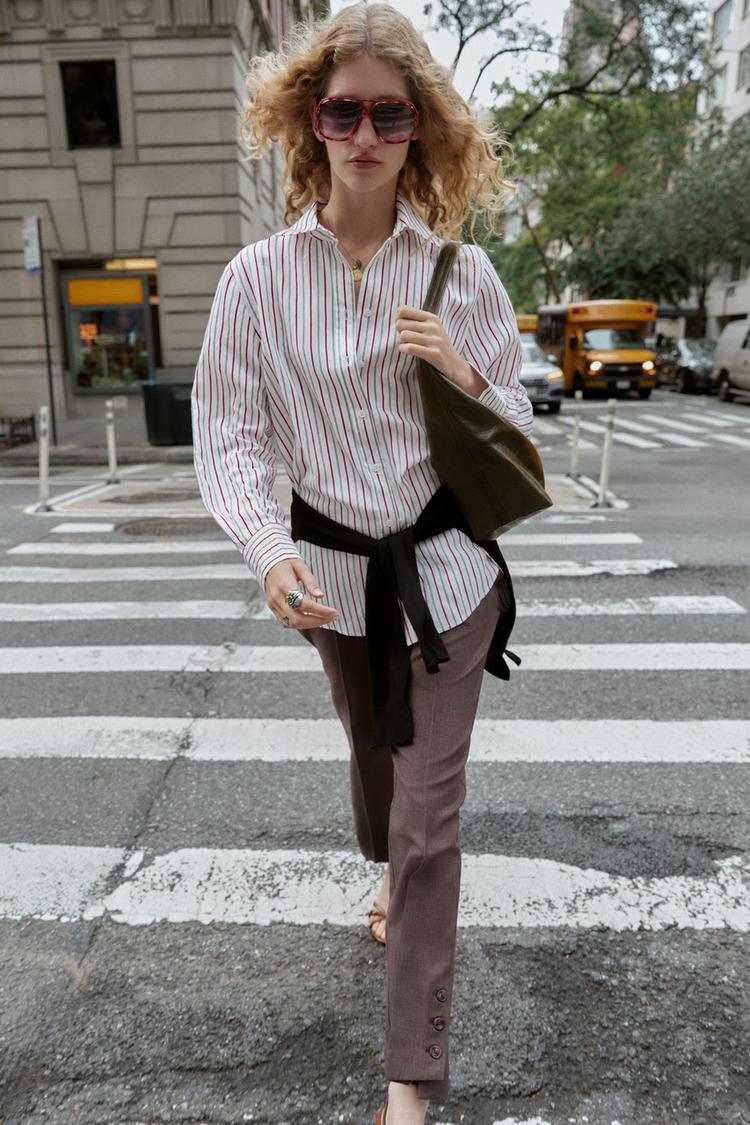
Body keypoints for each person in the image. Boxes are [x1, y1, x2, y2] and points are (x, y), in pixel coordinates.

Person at [191, 4, 533, 1121]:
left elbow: (524, 428)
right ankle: (386, 870)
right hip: (338, 585)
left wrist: (466, 376)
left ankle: (411, 1077)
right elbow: (232, 434)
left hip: (449, 580)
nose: (368, 130)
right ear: (311, 122)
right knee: (375, 778)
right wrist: (267, 550)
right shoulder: (255, 280)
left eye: (393, 110)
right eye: (345, 109)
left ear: (419, 128)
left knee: (428, 823)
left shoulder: (462, 276)